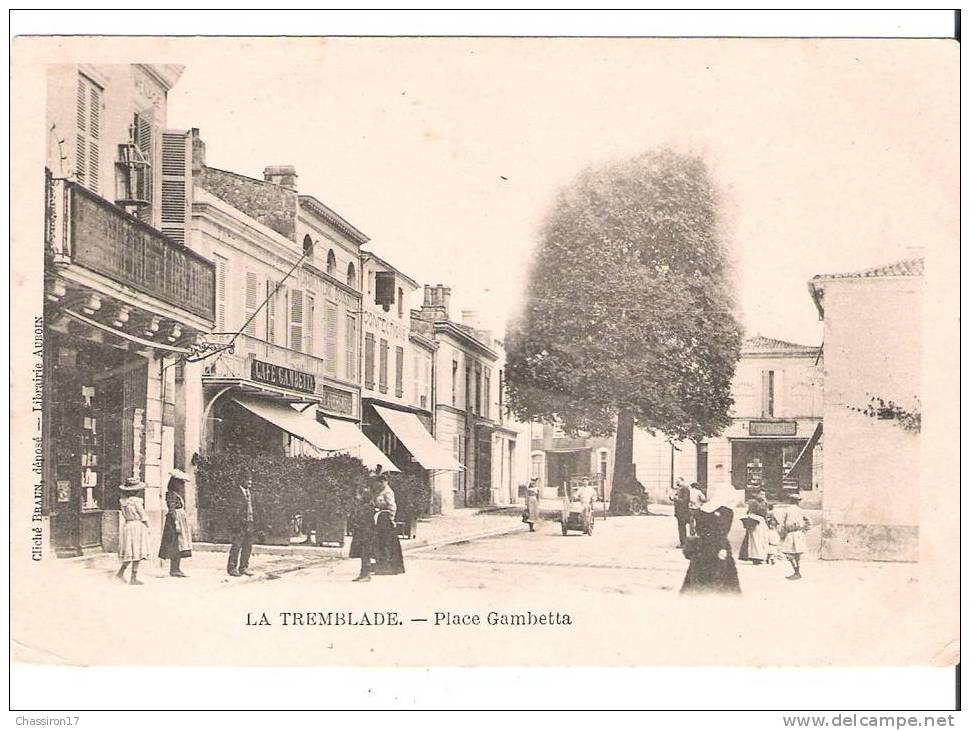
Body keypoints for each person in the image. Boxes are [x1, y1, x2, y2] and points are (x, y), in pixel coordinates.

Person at [681, 485, 741, 594]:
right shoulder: (726, 511)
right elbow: (722, 532)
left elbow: (698, 529)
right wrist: (722, 548)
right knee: (723, 579)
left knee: (697, 576)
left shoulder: (704, 509)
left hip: (702, 547)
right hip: (718, 548)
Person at [116, 477, 151, 586]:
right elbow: (143, 515)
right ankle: (133, 578)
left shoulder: (123, 501)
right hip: (137, 526)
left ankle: (120, 573)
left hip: (127, 526)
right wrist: (148, 526)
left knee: (129, 551)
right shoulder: (137, 501)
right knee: (137, 551)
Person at [158, 469, 194, 577]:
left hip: (179, 519)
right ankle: (174, 569)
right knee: (175, 545)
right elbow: (172, 509)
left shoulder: (175, 494)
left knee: (179, 545)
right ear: (175, 483)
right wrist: (177, 524)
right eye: (180, 483)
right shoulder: (171, 494)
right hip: (174, 522)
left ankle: (176, 568)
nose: (181, 485)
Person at [373, 473, 405, 575]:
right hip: (380, 519)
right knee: (381, 543)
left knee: (387, 543)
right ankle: (382, 564)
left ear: (385, 482)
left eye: (381, 482)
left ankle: (389, 566)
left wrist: (391, 519)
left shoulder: (388, 492)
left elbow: (392, 506)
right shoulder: (380, 491)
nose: (380, 484)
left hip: (386, 519)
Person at [227, 472, 256, 577]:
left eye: (251, 480)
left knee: (248, 546)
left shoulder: (251, 493)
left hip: (250, 523)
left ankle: (243, 567)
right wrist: (235, 524)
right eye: (247, 480)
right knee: (236, 546)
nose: (250, 482)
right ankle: (232, 568)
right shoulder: (235, 493)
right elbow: (232, 511)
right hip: (239, 524)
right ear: (241, 480)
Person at [349, 480, 377, 582]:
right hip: (362, 532)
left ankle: (366, 574)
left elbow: (363, 520)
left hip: (365, 533)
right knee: (363, 553)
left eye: (358, 495)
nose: (357, 497)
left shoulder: (367, 507)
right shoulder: (365, 506)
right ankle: (363, 573)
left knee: (366, 553)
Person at [779, 493, 811, 580]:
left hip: (791, 533)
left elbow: (782, 524)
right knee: (797, 554)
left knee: (789, 553)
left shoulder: (787, 510)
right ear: (797, 502)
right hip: (799, 533)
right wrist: (804, 530)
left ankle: (796, 572)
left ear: (790, 501)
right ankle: (797, 572)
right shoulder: (801, 510)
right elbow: (809, 522)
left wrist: (782, 534)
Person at [739, 488, 770, 564]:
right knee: (754, 540)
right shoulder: (753, 502)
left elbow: (766, 513)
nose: (762, 496)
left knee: (762, 540)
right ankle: (755, 557)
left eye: (764, 494)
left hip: (762, 523)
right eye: (761, 494)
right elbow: (750, 512)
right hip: (755, 522)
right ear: (757, 494)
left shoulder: (764, 503)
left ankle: (761, 557)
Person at [669, 477, 691, 548]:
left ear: (682, 481)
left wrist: (676, 499)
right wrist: (671, 497)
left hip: (683, 511)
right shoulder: (679, 489)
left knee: (682, 527)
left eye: (678, 481)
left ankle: (684, 543)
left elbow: (685, 500)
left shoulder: (685, 489)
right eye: (676, 482)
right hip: (679, 511)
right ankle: (682, 542)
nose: (677, 483)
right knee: (681, 527)